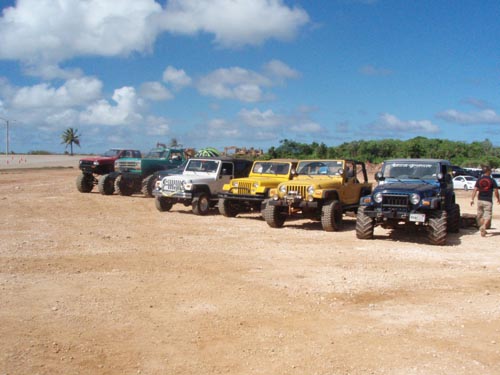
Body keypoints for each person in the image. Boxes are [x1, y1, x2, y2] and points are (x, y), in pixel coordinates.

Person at [470, 165, 500, 236]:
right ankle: (483, 227)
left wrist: (472, 199)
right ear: (488, 171)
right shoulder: (492, 180)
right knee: (487, 216)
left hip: (480, 200)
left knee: (480, 215)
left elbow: (475, 190)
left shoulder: (479, 179)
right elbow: (496, 191)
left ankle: (482, 228)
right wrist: (498, 198)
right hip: (488, 200)